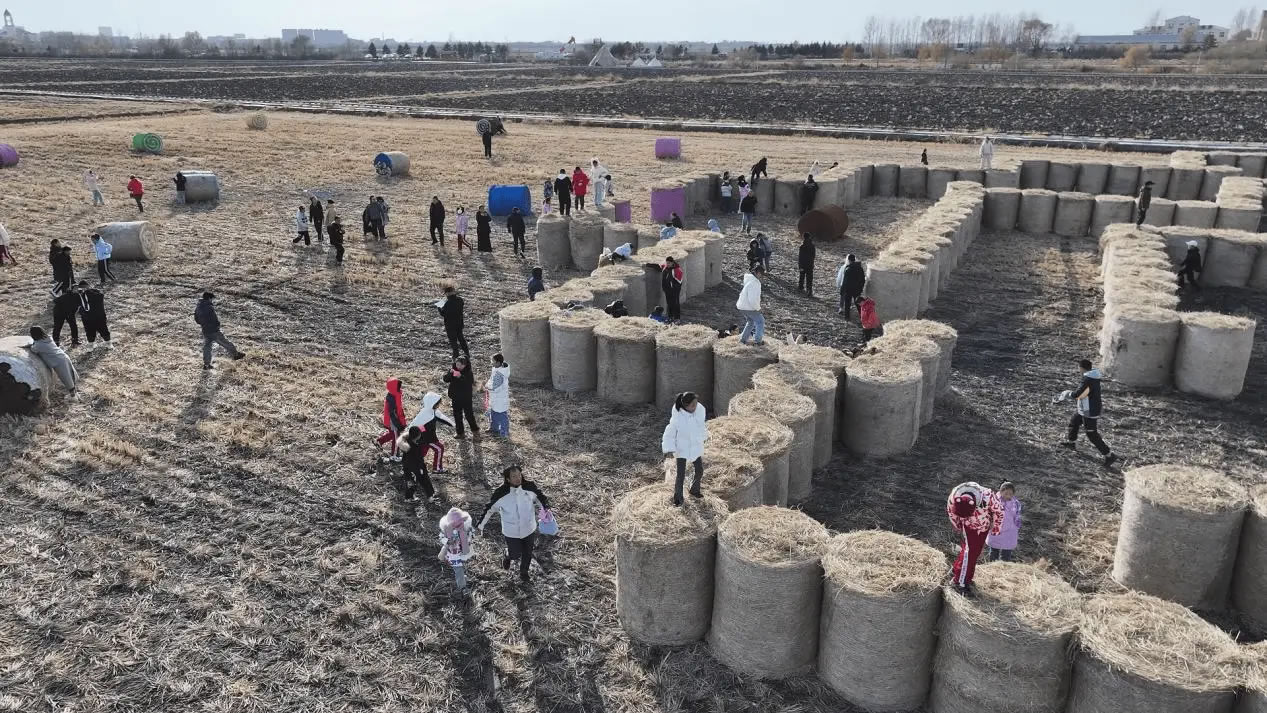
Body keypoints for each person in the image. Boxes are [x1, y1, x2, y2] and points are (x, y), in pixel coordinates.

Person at [478, 465, 550, 583]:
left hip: (529, 528)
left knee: (527, 552)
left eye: (519, 475)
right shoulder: (501, 493)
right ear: (508, 479)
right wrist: (480, 526)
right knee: (515, 554)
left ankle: (524, 573)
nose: (518, 478)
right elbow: (489, 509)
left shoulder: (529, 488)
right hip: (511, 532)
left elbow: (541, 498)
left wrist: (546, 510)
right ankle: (508, 554)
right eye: (514, 476)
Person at [1057, 359, 1118, 467]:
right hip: (1085, 408)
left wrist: (1067, 394)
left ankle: (1109, 455)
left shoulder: (1088, 379)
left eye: (1079, 368)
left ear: (1081, 368)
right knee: (1074, 421)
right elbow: (1085, 393)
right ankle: (1071, 443)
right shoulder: (1092, 376)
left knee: (1092, 434)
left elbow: (1078, 394)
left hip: (1090, 410)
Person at [947, 482, 1004, 596]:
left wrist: (996, 528)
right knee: (970, 553)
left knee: (975, 553)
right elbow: (951, 512)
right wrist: (957, 524)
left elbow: (999, 511)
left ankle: (959, 572)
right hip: (968, 527)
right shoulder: (954, 496)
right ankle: (960, 583)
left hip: (984, 526)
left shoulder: (987, 496)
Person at [661, 391, 708, 506]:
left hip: (695, 447)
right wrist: (669, 449)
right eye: (692, 405)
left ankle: (694, 490)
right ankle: (678, 498)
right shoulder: (678, 419)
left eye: (696, 403)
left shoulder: (698, 413)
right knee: (680, 475)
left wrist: (703, 437)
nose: (695, 407)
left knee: (699, 470)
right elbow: (669, 434)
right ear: (685, 406)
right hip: (681, 449)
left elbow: (701, 427)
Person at [194, 292, 245, 369]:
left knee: (207, 347)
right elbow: (214, 319)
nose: (212, 300)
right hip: (213, 330)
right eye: (211, 299)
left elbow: (196, 319)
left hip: (205, 330)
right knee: (225, 342)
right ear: (209, 298)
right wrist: (217, 325)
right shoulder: (209, 307)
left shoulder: (198, 307)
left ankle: (206, 365)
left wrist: (203, 324)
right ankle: (236, 354)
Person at [411, 392, 456, 474]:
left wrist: (453, 424)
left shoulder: (434, 412)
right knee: (439, 448)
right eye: (437, 404)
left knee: (422, 452)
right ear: (432, 404)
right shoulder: (424, 414)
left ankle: (412, 464)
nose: (438, 406)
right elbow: (415, 424)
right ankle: (437, 468)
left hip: (428, 438)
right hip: (428, 438)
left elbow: (442, 418)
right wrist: (423, 432)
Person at [24, 326, 78, 394]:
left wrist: (30, 345)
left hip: (58, 362)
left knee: (66, 379)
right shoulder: (48, 338)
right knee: (70, 375)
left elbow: (33, 349)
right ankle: (75, 393)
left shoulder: (38, 345)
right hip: (63, 356)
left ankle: (73, 396)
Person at [443, 357, 481, 440]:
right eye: (457, 364)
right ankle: (460, 433)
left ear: (465, 365)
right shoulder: (453, 369)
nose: (458, 366)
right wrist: (450, 374)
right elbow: (445, 379)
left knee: (469, 415)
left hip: (466, 398)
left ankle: (476, 432)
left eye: (460, 365)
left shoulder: (468, 372)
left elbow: (469, 383)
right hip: (455, 397)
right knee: (457, 415)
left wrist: (460, 376)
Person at [438, 507, 475, 590]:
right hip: (453, 554)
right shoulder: (446, 530)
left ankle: (462, 578)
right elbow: (441, 538)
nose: (459, 525)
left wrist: (468, 537)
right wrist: (448, 541)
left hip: (464, 551)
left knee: (463, 565)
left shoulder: (466, 527)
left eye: (460, 521)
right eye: (455, 523)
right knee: (458, 570)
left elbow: (472, 534)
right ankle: (462, 587)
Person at [397, 426, 435, 501]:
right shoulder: (415, 447)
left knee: (411, 482)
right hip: (416, 468)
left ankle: (409, 498)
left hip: (408, 467)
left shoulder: (406, 443)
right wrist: (421, 468)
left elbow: (405, 459)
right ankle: (429, 496)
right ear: (418, 436)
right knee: (423, 481)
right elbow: (418, 459)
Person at [986, 482, 1022, 561]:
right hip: (997, 529)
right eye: (1006, 493)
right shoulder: (995, 501)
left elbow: (1017, 516)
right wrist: (990, 522)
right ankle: (992, 565)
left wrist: (1016, 526)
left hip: (1010, 531)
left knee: (1007, 552)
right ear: (1001, 492)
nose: (1008, 496)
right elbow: (989, 513)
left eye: (1010, 494)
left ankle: (1004, 566)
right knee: (994, 551)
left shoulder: (1016, 503)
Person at [75, 280, 111, 347]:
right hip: (91, 317)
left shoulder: (94, 293)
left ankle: (107, 343)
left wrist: (87, 292)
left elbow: (100, 297)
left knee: (100, 330)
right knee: (93, 331)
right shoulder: (80, 295)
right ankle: (93, 345)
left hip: (95, 317)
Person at [437, 285, 469, 359]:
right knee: (461, 339)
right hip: (459, 323)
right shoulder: (460, 300)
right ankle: (467, 353)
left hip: (450, 325)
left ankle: (456, 355)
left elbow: (444, 314)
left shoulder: (447, 303)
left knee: (453, 341)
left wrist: (439, 308)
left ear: (447, 293)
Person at [736, 265, 765, 346]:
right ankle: (757, 341)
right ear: (758, 273)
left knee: (751, 321)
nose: (762, 277)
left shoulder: (749, 280)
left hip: (742, 306)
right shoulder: (754, 283)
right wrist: (758, 308)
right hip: (748, 307)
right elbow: (752, 299)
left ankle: (743, 340)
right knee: (760, 321)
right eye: (762, 275)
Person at [484, 353, 511, 437]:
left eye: (493, 361)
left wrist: (487, 387)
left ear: (498, 362)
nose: (491, 363)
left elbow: (495, 388)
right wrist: (488, 385)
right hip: (495, 398)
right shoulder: (497, 369)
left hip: (499, 398)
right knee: (493, 413)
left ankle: (504, 433)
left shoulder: (499, 374)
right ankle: (494, 428)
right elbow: (491, 380)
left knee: (502, 416)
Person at [660, 256, 684, 322]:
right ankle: (670, 317)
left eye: (669, 263)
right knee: (669, 303)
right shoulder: (665, 267)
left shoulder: (677, 270)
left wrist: (674, 290)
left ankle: (677, 318)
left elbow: (679, 281)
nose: (667, 264)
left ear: (672, 262)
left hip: (674, 290)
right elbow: (660, 266)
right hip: (667, 290)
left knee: (675, 303)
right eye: (667, 263)